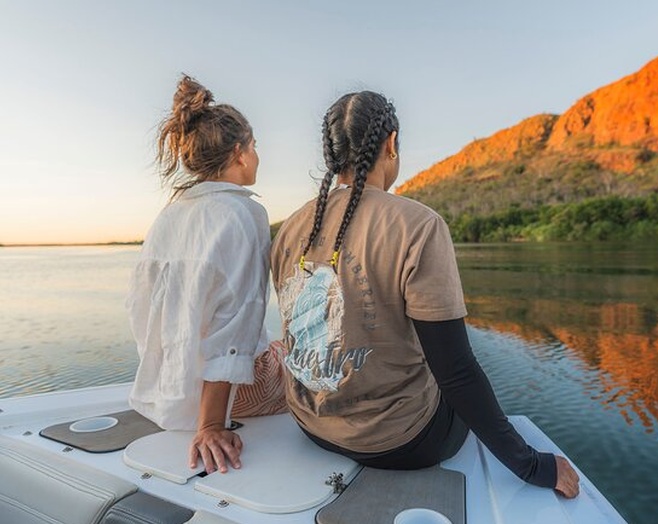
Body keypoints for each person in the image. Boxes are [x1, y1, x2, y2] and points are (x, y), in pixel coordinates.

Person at [271, 91, 580, 498]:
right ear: (391, 144)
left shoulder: (291, 227)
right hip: (399, 443)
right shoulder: (418, 225)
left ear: (332, 153)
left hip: (311, 427)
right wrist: (532, 465)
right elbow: (456, 372)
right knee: (456, 373)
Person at [126, 75, 285, 476]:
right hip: (236, 393)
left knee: (281, 344)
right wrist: (211, 425)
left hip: (172, 386)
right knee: (312, 356)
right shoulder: (244, 213)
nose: (257, 155)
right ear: (240, 153)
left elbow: (139, 307)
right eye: (255, 146)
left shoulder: (169, 215)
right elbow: (236, 326)